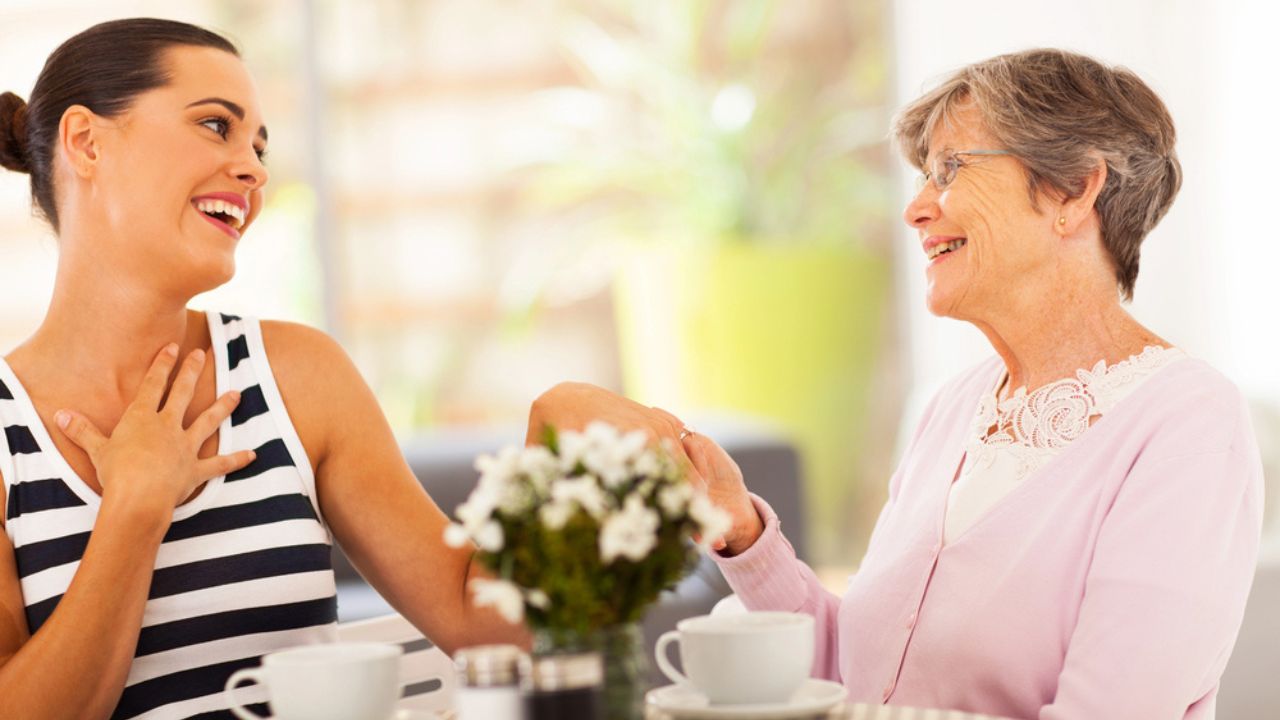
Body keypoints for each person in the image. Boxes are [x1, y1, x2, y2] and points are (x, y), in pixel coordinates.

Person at [530, 49, 1264, 719]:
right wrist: (741, 531)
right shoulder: (951, 409)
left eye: (951, 170)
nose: (916, 208)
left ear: (1074, 189)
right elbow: (857, 675)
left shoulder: (1188, 425)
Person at [0, 19, 524, 720]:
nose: (254, 169)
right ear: (87, 142)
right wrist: (133, 511)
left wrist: (573, 467)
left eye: (258, 146)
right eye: (216, 126)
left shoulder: (300, 377)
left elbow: (478, 622)